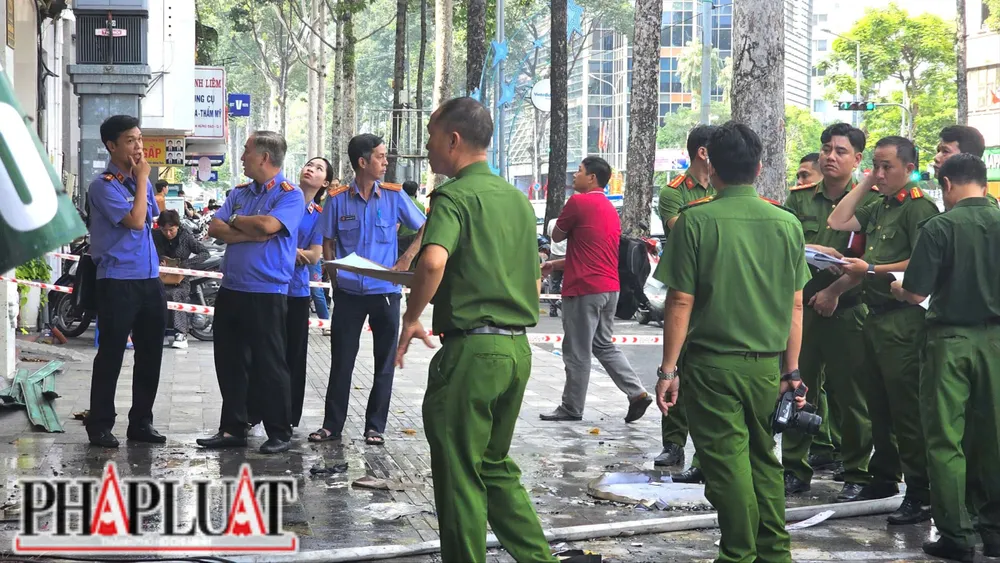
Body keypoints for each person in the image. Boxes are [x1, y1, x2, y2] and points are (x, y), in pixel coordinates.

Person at [395, 96, 558, 563]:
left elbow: (432, 260)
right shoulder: (516, 200)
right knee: (493, 466)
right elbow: (532, 276)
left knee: (460, 474)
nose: (427, 149)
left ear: (454, 139)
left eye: (430, 138)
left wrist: (412, 317)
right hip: (516, 352)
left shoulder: (454, 195)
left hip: (472, 353)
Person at [654, 121, 809, 563]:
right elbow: (796, 307)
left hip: (712, 366)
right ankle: (774, 552)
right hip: (765, 367)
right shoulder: (786, 223)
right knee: (763, 459)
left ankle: (737, 553)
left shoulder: (695, 220)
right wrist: (791, 371)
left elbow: (680, 300)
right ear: (759, 168)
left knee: (726, 465)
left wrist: (668, 370)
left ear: (711, 168)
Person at [890, 154, 1000, 562]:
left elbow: (916, 293)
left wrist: (896, 290)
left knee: (944, 439)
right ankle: (995, 530)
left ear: (948, 185)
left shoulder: (939, 227)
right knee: (994, 436)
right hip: (996, 342)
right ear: (984, 183)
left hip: (950, 341)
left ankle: (957, 534)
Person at [826, 136, 940, 522]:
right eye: (875, 165)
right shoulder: (881, 205)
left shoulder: (917, 206)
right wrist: (864, 182)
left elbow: (922, 260)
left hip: (902, 318)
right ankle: (885, 475)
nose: (880, 173)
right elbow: (837, 220)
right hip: (874, 317)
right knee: (878, 403)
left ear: (910, 168)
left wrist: (872, 270)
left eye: (887, 166)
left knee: (905, 407)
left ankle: (921, 491)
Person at [781, 123, 880, 498]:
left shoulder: (871, 203)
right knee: (796, 387)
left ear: (857, 159)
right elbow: (786, 241)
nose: (830, 156)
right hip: (802, 309)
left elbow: (873, 259)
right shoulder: (801, 199)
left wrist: (836, 291)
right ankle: (794, 467)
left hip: (849, 310)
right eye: (826, 149)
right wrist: (819, 251)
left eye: (840, 151)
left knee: (852, 396)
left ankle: (856, 470)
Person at [312, 134, 426, 445]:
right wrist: (334, 276)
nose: (385, 162)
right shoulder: (336, 199)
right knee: (341, 362)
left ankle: (375, 426)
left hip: (385, 292)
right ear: (362, 162)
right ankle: (331, 426)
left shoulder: (393, 195)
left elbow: (426, 225)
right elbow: (328, 241)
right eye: (380, 156)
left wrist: (406, 258)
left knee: (384, 362)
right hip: (348, 295)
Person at [200, 131, 304, 455]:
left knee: (269, 363)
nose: (242, 157)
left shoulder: (291, 195)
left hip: (266, 291)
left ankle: (279, 431)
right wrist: (244, 227)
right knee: (228, 361)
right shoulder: (240, 193)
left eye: (246, 151)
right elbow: (215, 227)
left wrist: (239, 225)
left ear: (264, 157)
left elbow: (268, 227)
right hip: (231, 289)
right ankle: (233, 428)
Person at [539, 156, 652, 424]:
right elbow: (591, 254)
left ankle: (571, 407)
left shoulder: (578, 202)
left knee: (577, 349)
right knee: (602, 344)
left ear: (592, 178)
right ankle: (636, 392)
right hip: (608, 288)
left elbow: (556, 236)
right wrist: (555, 265)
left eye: (578, 172)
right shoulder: (611, 210)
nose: (574, 177)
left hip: (583, 288)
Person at [85, 115, 167, 448]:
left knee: (150, 354)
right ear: (111, 145)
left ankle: (141, 422)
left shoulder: (136, 181)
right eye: (130, 140)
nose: (138, 146)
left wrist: (141, 180)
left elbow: (153, 216)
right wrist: (144, 177)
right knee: (111, 354)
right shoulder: (103, 184)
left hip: (149, 279)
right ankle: (101, 424)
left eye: (139, 138)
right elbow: (135, 221)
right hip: (118, 280)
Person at [652, 124, 716, 473]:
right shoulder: (673, 191)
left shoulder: (726, 188)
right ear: (703, 152)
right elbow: (684, 229)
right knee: (674, 362)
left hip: (716, 289)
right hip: (684, 286)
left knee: (705, 370)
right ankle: (673, 443)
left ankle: (703, 453)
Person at [287, 157, 329, 427]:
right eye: (308, 164)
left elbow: (314, 256)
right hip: (267, 286)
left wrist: (283, 252)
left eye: (318, 168)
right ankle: (252, 413)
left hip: (297, 290)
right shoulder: (282, 197)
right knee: (261, 353)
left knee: (294, 356)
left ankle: (289, 417)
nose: (310, 168)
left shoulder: (318, 215)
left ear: (324, 182)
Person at [152, 209, 210, 349]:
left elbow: (204, 253)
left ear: (177, 226)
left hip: (180, 280)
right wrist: (157, 259)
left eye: (171, 230)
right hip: (157, 278)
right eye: (164, 230)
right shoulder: (155, 236)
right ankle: (153, 332)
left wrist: (185, 264)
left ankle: (180, 333)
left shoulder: (186, 237)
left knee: (176, 295)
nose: (168, 233)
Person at [933, 125, 999, 208]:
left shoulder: (980, 207)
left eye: (945, 151)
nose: (936, 157)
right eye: (938, 151)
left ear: (966, 157)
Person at [396, 180, 422, 258]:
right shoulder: (421, 206)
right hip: (415, 237)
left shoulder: (399, 203)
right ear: (415, 191)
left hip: (400, 238)